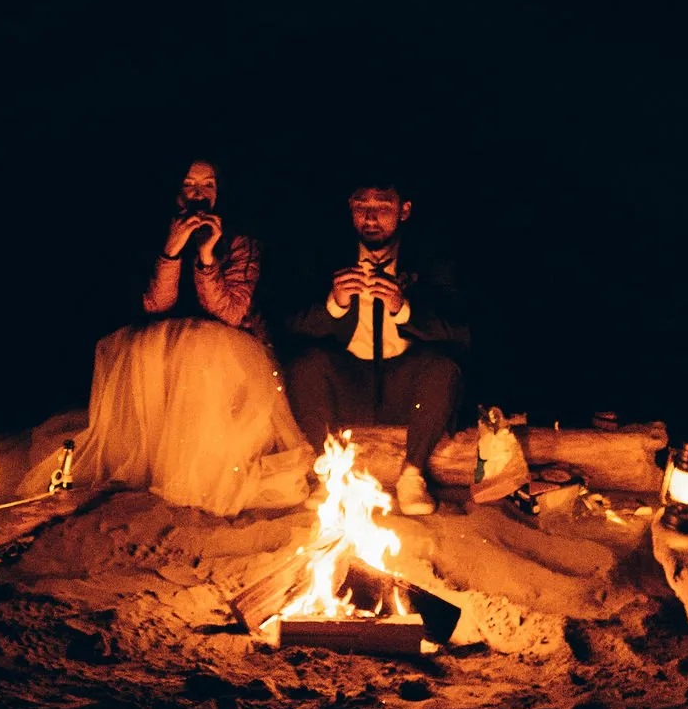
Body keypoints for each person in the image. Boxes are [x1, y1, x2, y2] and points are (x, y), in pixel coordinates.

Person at [65, 158, 312, 517]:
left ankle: (201, 477)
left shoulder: (241, 240)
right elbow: (154, 304)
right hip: (166, 337)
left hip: (230, 344)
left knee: (200, 348)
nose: (199, 194)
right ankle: (154, 469)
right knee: (144, 348)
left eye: (208, 185)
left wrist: (207, 256)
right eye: (189, 185)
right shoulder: (152, 231)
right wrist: (172, 249)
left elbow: (230, 312)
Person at [283, 177, 468, 515]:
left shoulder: (432, 262)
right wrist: (333, 306)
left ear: (404, 211)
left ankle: (413, 475)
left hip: (405, 387)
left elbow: (461, 333)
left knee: (442, 368)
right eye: (360, 206)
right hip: (349, 384)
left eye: (382, 206)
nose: (370, 218)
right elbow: (287, 326)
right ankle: (332, 476)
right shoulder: (324, 257)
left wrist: (404, 310)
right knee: (304, 365)